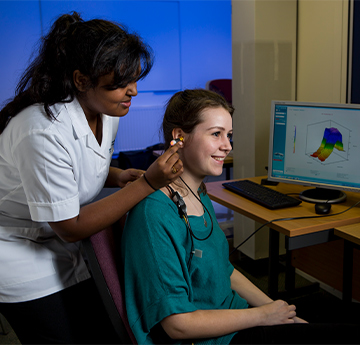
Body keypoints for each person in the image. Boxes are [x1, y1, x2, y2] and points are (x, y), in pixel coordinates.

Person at [0, 12, 183, 344]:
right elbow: (70, 227)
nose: (134, 92)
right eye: (121, 83)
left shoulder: (106, 111)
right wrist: (147, 184)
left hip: (61, 245)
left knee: (103, 330)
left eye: (135, 79)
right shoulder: (41, 131)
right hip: (18, 253)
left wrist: (117, 176)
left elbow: (80, 164)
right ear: (81, 80)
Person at [121, 89, 359, 344]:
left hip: (236, 319)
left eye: (229, 135)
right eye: (216, 134)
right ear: (179, 137)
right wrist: (262, 316)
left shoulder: (197, 193)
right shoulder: (154, 213)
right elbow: (178, 325)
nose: (227, 146)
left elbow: (223, 269)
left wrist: (278, 311)